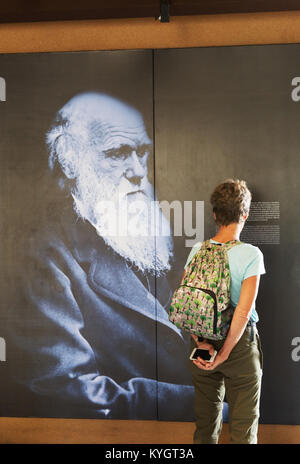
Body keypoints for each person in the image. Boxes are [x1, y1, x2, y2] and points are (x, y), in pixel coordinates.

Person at [5, 92, 195, 420]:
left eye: (142, 152)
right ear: (68, 159)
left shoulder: (140, 231)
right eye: (117, 154)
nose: (138, 171)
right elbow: (63, 389)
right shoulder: (41, 255)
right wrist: (202, 404)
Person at [182, 179, 265, 444]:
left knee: (205, 428)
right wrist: (225, 354)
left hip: (204, 342)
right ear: (245, 215)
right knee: (243, 431)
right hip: (239, 347)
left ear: (215, 214)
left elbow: (186, 303)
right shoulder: (251, 254)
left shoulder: (197, 250)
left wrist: (204, 345)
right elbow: (243, 311)